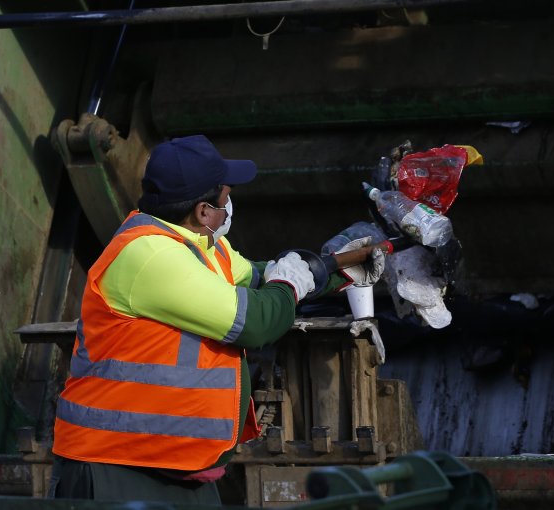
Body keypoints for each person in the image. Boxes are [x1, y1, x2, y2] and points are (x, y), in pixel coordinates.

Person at [48, 134, 378, 503]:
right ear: (204, 212)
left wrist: (338, 269)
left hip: (180, 468)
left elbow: (265, 276)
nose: (230, 204)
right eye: (225, 196)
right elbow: (257, 321)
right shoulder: (150, 255)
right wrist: (290, 283)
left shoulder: (205, 246)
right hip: (113, 466)